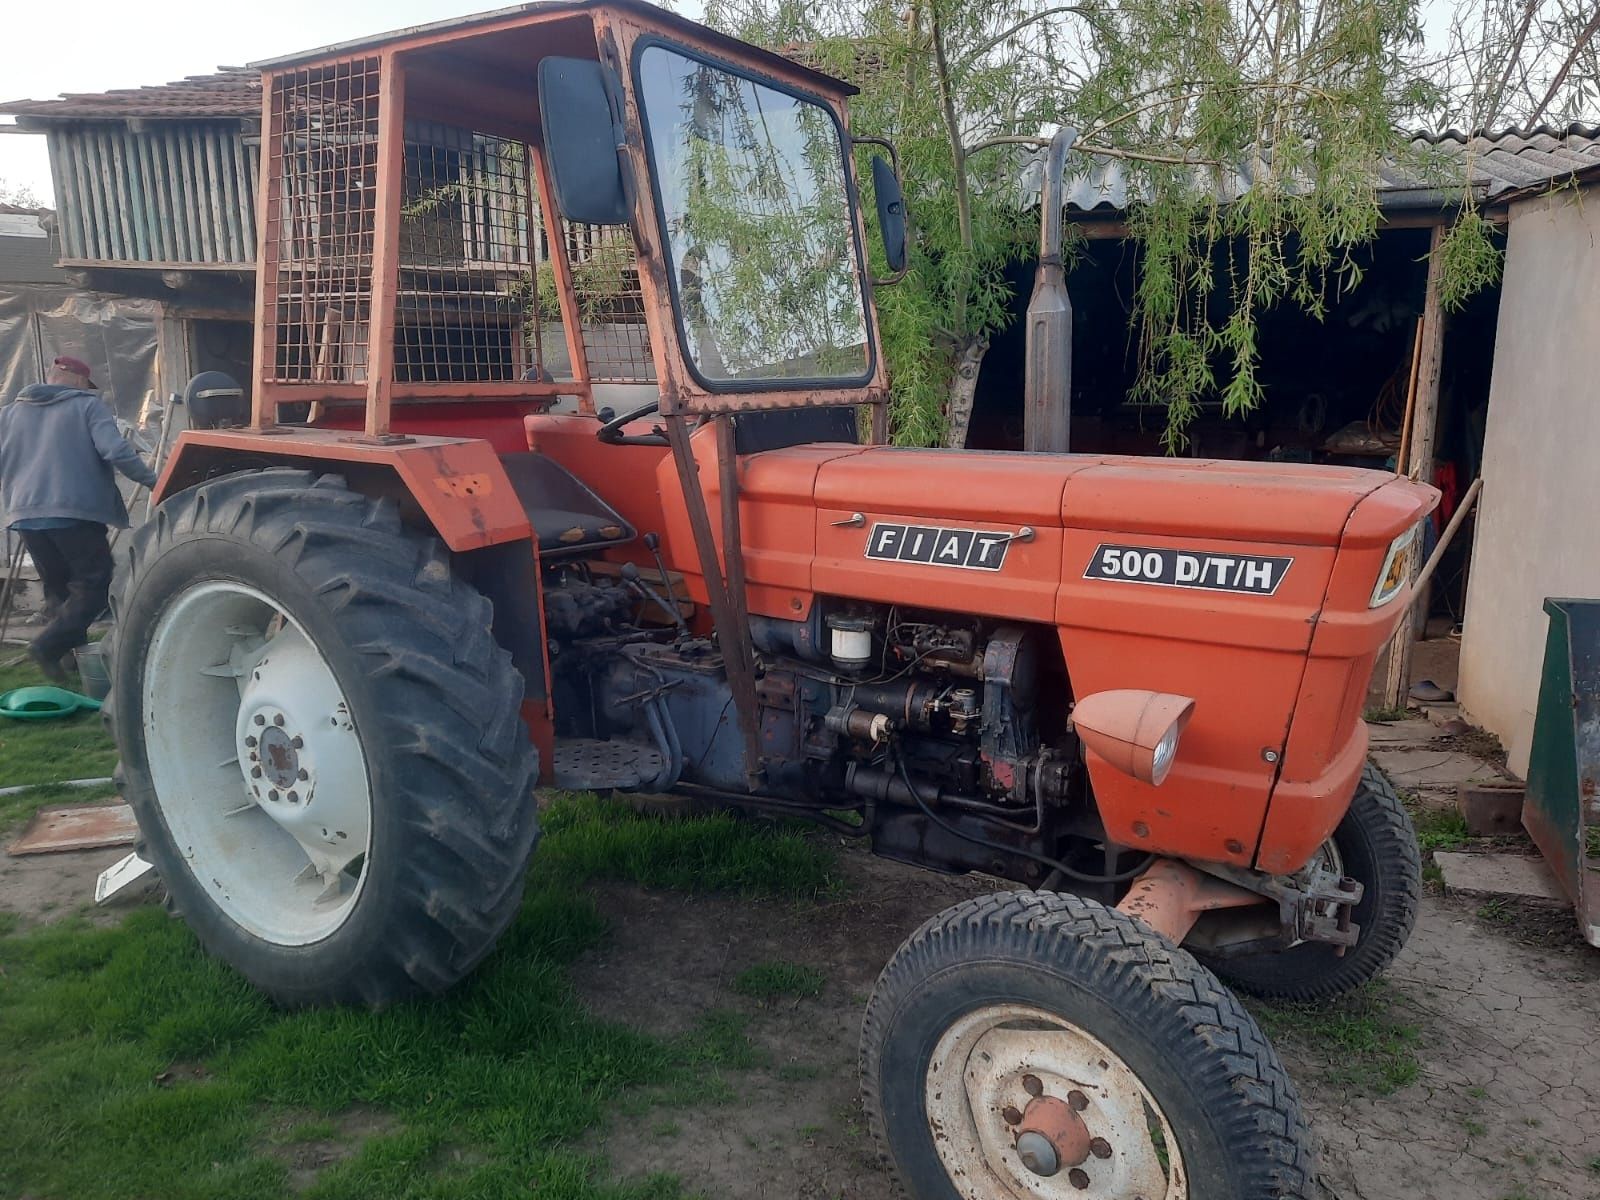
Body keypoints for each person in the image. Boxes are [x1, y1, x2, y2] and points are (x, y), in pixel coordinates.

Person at [0, 355, 156, 682]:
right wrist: (154, 480)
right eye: (87, 383)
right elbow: (114, 451)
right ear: (76, 380)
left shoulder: (10, 413)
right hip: (74, 513)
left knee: (60, 591)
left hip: (26, 517)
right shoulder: (87, 406)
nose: (88, 388)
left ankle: (72, 663)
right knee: (95, 585)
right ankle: (47, 645)